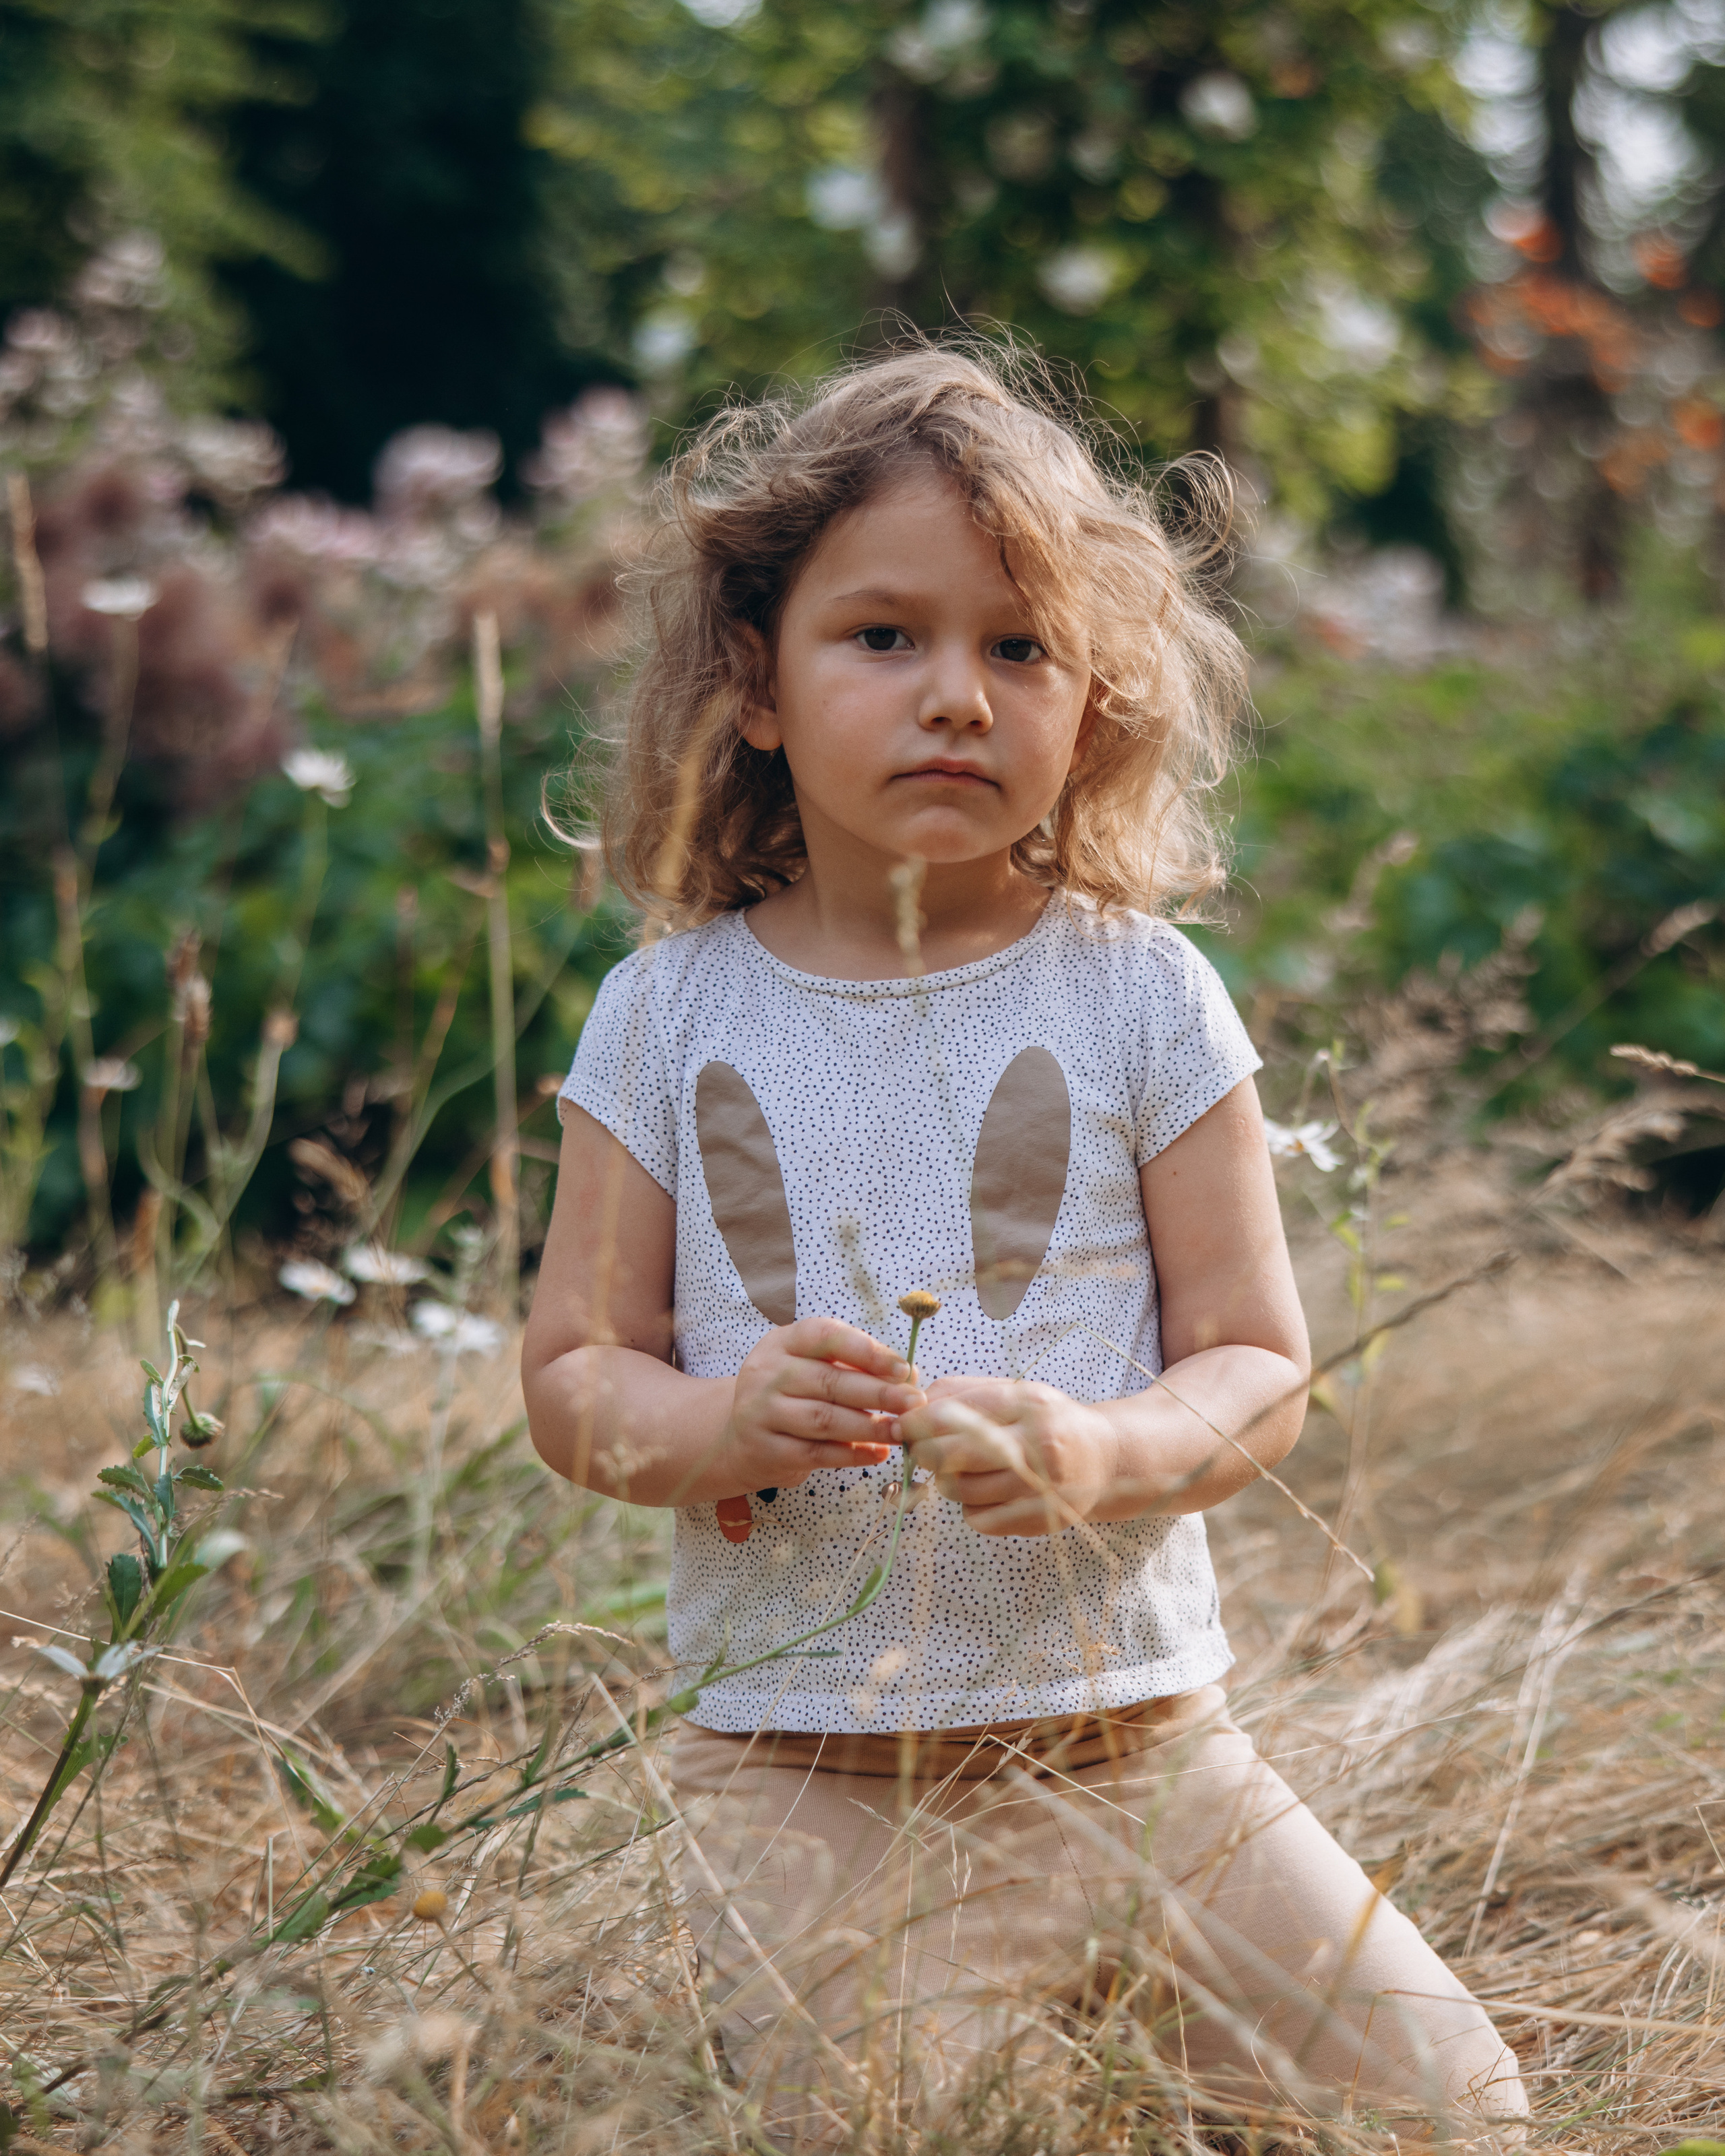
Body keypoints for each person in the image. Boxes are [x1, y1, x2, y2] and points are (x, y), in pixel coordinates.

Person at [521, 346, 1527, 2147]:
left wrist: (1105, 1449)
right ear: (754, 682)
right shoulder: (668, 1014)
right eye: (885, 638)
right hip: (807, 1778)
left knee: (1446, 2104)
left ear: (1097, 699)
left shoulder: (1143, 993)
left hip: (1139, 1753)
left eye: (1020, 648)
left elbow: (1258, 1364)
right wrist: (718, 1426)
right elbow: (575, 1376)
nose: (956, 699)